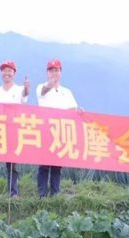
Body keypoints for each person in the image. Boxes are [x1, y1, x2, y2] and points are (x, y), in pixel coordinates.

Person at [0, 60, 30, 198]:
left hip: (13, 131)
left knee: (12, 165)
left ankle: (13, 193)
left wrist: (27, 88)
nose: (7, 73)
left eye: (9, 70)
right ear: (1, 73)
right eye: (4, 70)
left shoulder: (19, 90)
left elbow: (25, 95)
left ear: (14, 73)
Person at [36, 59, 78, 197]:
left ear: (61, 72)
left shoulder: (67, 92)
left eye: (56, 70)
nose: (54, 73)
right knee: (44, 164)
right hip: (45, 131)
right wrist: (51, 83)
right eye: (51, 70)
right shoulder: (41, 87)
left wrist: (80, 112)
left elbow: (73, 110)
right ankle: (41, 194)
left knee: (57, 165)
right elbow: (44, 91)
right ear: (47, 73)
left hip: (61, 132)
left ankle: (55, 193)